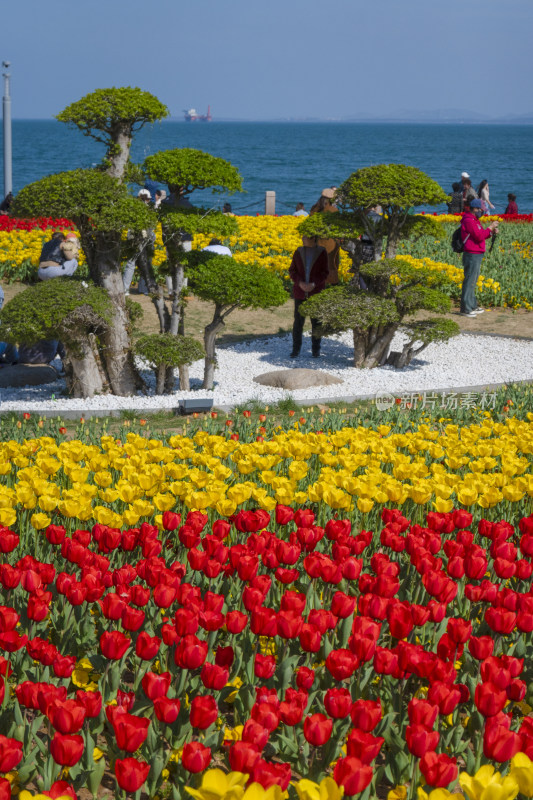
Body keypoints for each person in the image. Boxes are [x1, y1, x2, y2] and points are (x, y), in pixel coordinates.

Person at [288, 236, 328, 358]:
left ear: (313, 238)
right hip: (300, 292)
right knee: (298, 323)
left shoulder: (321, 252)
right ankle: (296, 350)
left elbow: (324, 272)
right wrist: (300, 283)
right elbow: (292, 270)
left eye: (306, 237)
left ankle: (316, 350)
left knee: (316, 322)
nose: (303, 239)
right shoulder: (298, 251)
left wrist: (313, 284)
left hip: (315, 292)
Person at [459, 198, 498, 317]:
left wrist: (491, 232)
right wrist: (490, 227)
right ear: (475, 209)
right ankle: (466, 308)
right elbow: (479, 236)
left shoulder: (474, 220)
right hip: (472, 253)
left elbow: (481, 235)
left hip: (476, 252)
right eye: (481, 210)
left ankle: (472, 304)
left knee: (473, 280)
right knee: (470, 279)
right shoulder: (469, 220)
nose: (482, 212)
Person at [123, 190, 154, 295]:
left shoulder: (131, 208)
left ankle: (126, 289)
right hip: (144, 239)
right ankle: (143, 288)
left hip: (134, 239)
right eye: (148, 199)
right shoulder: (148, 210)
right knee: (144, 264)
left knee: (131, 264)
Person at [309, 188, 340, 286]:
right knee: (332, 265)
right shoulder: (334, 210)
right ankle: (333, 289)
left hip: (318, 242)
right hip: (331, 242)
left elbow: (310, 226)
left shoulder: (315, 209)